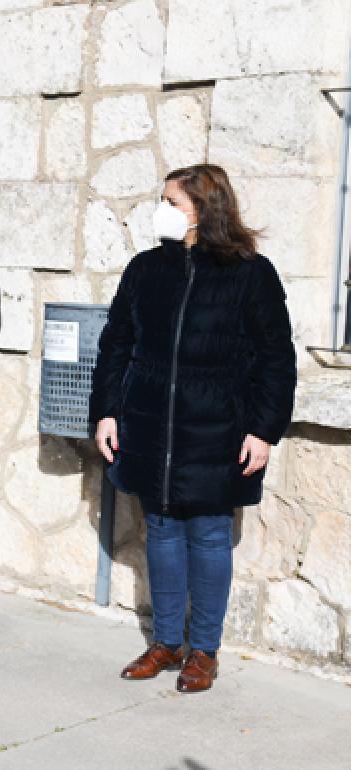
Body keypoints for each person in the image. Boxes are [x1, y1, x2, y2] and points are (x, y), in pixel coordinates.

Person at [89, 164, 296, 694]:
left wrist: (264, 430)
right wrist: (107, 411)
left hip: (219, 428)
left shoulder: (251, 273)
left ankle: (203, 651)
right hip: (151, 424)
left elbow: (275, 358)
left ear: (205, 210)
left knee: (207, 536)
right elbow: (115, 343)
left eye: (171, 202)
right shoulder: (145, 270)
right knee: (160, 530)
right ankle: (165, 643)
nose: (160, 210)